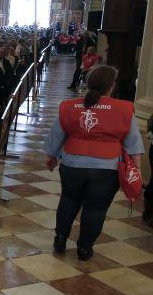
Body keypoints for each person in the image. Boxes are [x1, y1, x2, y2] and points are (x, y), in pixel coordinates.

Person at [44, 65, 144, 261]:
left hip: (72, 163)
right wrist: (137, 170)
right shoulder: (123, 109)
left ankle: (61, 238)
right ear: (112, 86)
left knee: (68, 200)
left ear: (88, 84)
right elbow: (133, 143)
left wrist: (51, 156)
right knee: (95, 208)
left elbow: (57, 133)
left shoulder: (70, 106)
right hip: (107, 167)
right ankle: (84, 248)